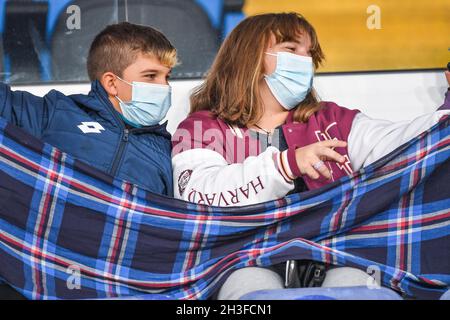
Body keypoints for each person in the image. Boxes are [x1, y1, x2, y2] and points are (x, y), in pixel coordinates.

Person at [171, 13, 450, 299]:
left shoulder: (332, 119)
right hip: (241, 257)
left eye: (309, 54)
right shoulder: (201, 127)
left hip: (338, 253)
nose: (304, 61)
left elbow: (402, 142)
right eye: (291, 49)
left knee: (361, 288)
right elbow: (198, 196)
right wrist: (287, 164)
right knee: (251, 291)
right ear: (249, 56)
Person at [0, 22, 177, 299]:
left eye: (168, 76)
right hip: (35, 273)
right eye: (151, 76)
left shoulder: (168, 151)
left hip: (119, 283)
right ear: (111, 82)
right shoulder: (55, 112)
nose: (164, 87)